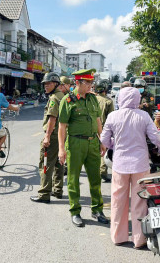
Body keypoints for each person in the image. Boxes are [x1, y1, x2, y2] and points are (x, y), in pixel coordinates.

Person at [100, 87, 160, 248]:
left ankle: (118, 237)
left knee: (118, 201)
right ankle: (139, 239)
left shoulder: (112, 116)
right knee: (140, 202)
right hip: (140, 165)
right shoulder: (144, 116)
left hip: (120, 164)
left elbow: (104, 140)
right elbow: (155, 137)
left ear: (120, 98)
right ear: (137, 99)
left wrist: (113, 146)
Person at [58, 68, 109, 227]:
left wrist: (102, 140)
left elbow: (98, 121)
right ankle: (75, 211)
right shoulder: (67, 101)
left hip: (93, 143)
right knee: (73, 179)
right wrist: (61, 149)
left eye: (92, 83)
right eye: (88, 83)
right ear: (79, 82)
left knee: (95, 178)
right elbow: (62, 127)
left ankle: (97, 210)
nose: (91, 86)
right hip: (75, 144)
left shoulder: (93, 99)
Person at [31, 73, 66, 203]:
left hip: (53, 136)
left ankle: (44, 194)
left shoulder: (54, 98)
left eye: (48, 83)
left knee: (45, 164)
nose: (45, 86)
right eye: (45, 84)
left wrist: (47, 136)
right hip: (62, 136)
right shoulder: (61, 96)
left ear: (55, 84)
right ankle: (58, 190)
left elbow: (52, 117)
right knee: (59, 164)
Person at [95, 79, 114, 183]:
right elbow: (111, 118)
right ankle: (103, 172)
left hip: (91, 128)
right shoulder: (108, 101)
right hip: (104, 128)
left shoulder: (91, 99)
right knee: (103, 150)